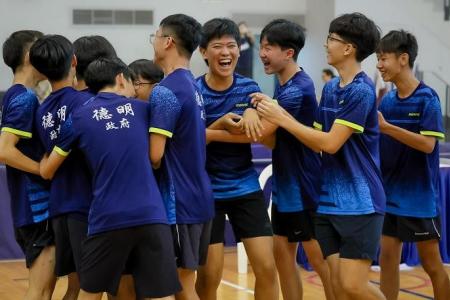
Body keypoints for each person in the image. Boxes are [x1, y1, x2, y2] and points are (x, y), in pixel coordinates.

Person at [252, 13, 386, 300]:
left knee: (352, 286)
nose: (326, 45)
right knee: (337, 284)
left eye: (331, 40)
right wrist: (262, 117)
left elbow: (331, 143)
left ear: (348, 48)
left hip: (359, 202)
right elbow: (314, 142)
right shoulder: (329, 89)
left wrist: (281, 117)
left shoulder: (361, 91)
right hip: (329, 201)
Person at [39, 57, 181, 300]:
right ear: (120, 79)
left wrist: (43, 159)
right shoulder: (144, 109)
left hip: (107, 218)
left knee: (89, 294)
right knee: (161, 296)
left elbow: (47, 170)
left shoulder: (78, 117)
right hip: (152, 215)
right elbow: (155, 156)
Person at [194, 18, 278, 300]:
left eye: (231, 45)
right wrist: (216, 128)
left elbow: (260, 132)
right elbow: (190, 141)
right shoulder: (195, 92)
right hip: (207, 192)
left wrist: (254, 112)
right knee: (208, 277)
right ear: (203, 52)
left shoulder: (248, 87)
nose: (225, 52)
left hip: (245, 187)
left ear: (239, 52)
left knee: (267, 268)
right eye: (217, 46)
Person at [376, 30, 450, 300]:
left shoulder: (428, 98)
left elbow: (429, 145)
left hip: (419, 200)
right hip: (390, 197)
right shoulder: (388, 100)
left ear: (403, 58)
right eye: (377, 59)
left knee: (432, 265)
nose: (379, 65)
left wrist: (388, 128)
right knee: (387, 260)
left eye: (383, 58)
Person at [149, 14, 215, 300]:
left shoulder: (166, 90)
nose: (153, 43)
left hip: (179, 202)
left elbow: (155, 156)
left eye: (155, 36)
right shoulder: (193, 86)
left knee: (181, 288)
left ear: (168, 42)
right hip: (199, 197)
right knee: (186, 286)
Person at [29, 34, 94, 300]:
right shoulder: (84, 104)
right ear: (75, 61)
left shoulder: (41, 110)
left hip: (59, 206)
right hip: (85, 206)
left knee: (75, 285)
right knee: (88, 286)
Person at [0, 30, 56, 300]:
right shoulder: (25, 98)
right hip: (36, 209)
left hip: (33, 208)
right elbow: (4, 151)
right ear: (28, 56)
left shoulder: (20, 94)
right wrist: (41, 169)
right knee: (39, 292)